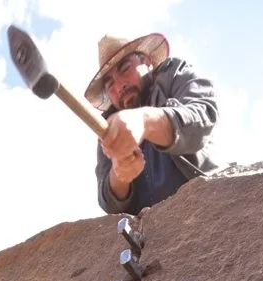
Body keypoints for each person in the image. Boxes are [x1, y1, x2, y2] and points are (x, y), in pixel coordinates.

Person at [85, 32, 219, 215]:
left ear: (146, 62)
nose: (119, 86)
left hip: (209, 206)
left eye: (125, 69)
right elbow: (108, 202)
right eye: (110, 85)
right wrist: (119, 175)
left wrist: (145, 121)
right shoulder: (108, 130)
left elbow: (204, 115)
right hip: (153, 235)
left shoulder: (174, 75)